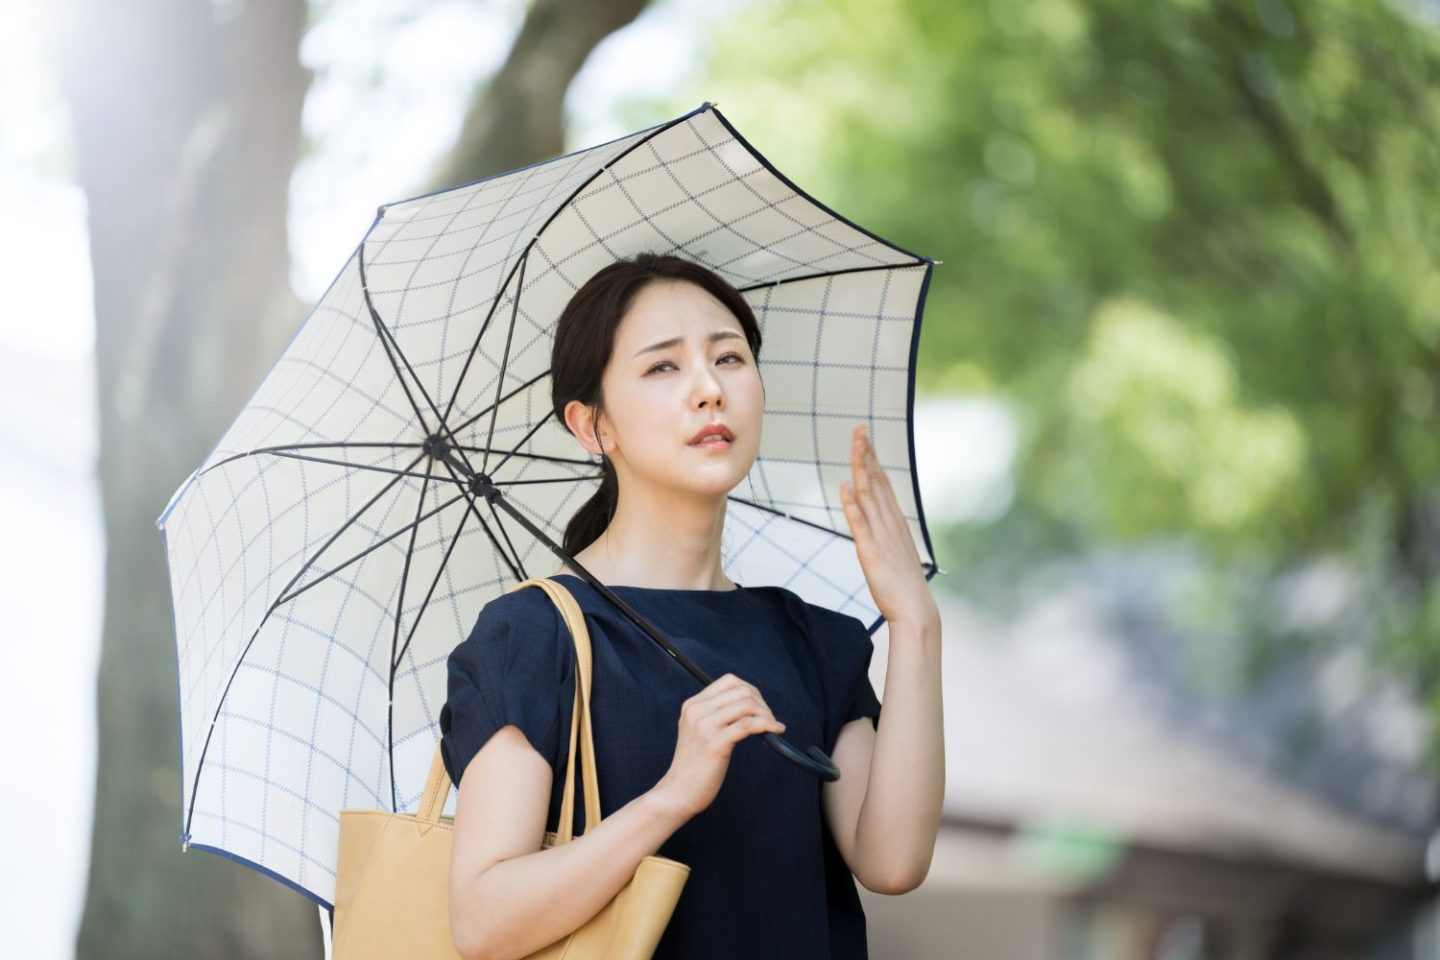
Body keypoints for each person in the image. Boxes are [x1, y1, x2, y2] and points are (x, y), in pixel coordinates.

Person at [438, 252, 945, 960]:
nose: (709, 389)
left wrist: (916, 623)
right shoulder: (535, 636)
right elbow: (483, 923)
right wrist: (671, 796)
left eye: (729, 358)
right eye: (662, 367)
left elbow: (892, 863)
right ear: (593, 427)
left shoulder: (810, 640)